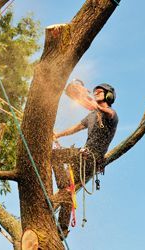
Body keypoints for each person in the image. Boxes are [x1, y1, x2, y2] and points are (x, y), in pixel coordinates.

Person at [52, 83, 119, 238]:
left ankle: (64, 188)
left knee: (55, 156)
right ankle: (62, 228)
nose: (96, 94)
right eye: (94, 92)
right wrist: (58, 135)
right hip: (81, 157)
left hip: (91, 158)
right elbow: (75, 128)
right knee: (67, 189)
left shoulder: (111, 115)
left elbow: (106, 111)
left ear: (108, 96)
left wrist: (84, 96)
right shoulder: (91, 116)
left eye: (99, 92)